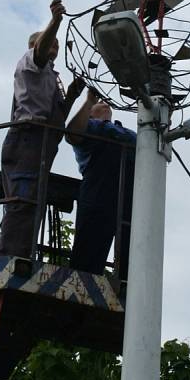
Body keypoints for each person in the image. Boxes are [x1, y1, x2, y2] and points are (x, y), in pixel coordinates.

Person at [0, 0, 85, 259]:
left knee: (33, 202)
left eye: (57, 44)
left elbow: (56, 118)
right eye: (51, 42)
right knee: (23, 200)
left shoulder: (51, 78)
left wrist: (71, 96)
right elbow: (41, 49)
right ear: (37, 44)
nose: (54, 46)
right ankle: (10, 258)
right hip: (27, 138)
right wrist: (56, 22)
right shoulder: (30, 62)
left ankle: (23, 253)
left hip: (44, 142)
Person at [67, 89, 136, 279]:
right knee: (87, 256)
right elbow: (72, 134)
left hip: (129, 201)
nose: (105, 101)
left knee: (131, 254)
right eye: (99, 103)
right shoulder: (89, 127)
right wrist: (89, 101)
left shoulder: (128, 133)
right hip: (97, 197)